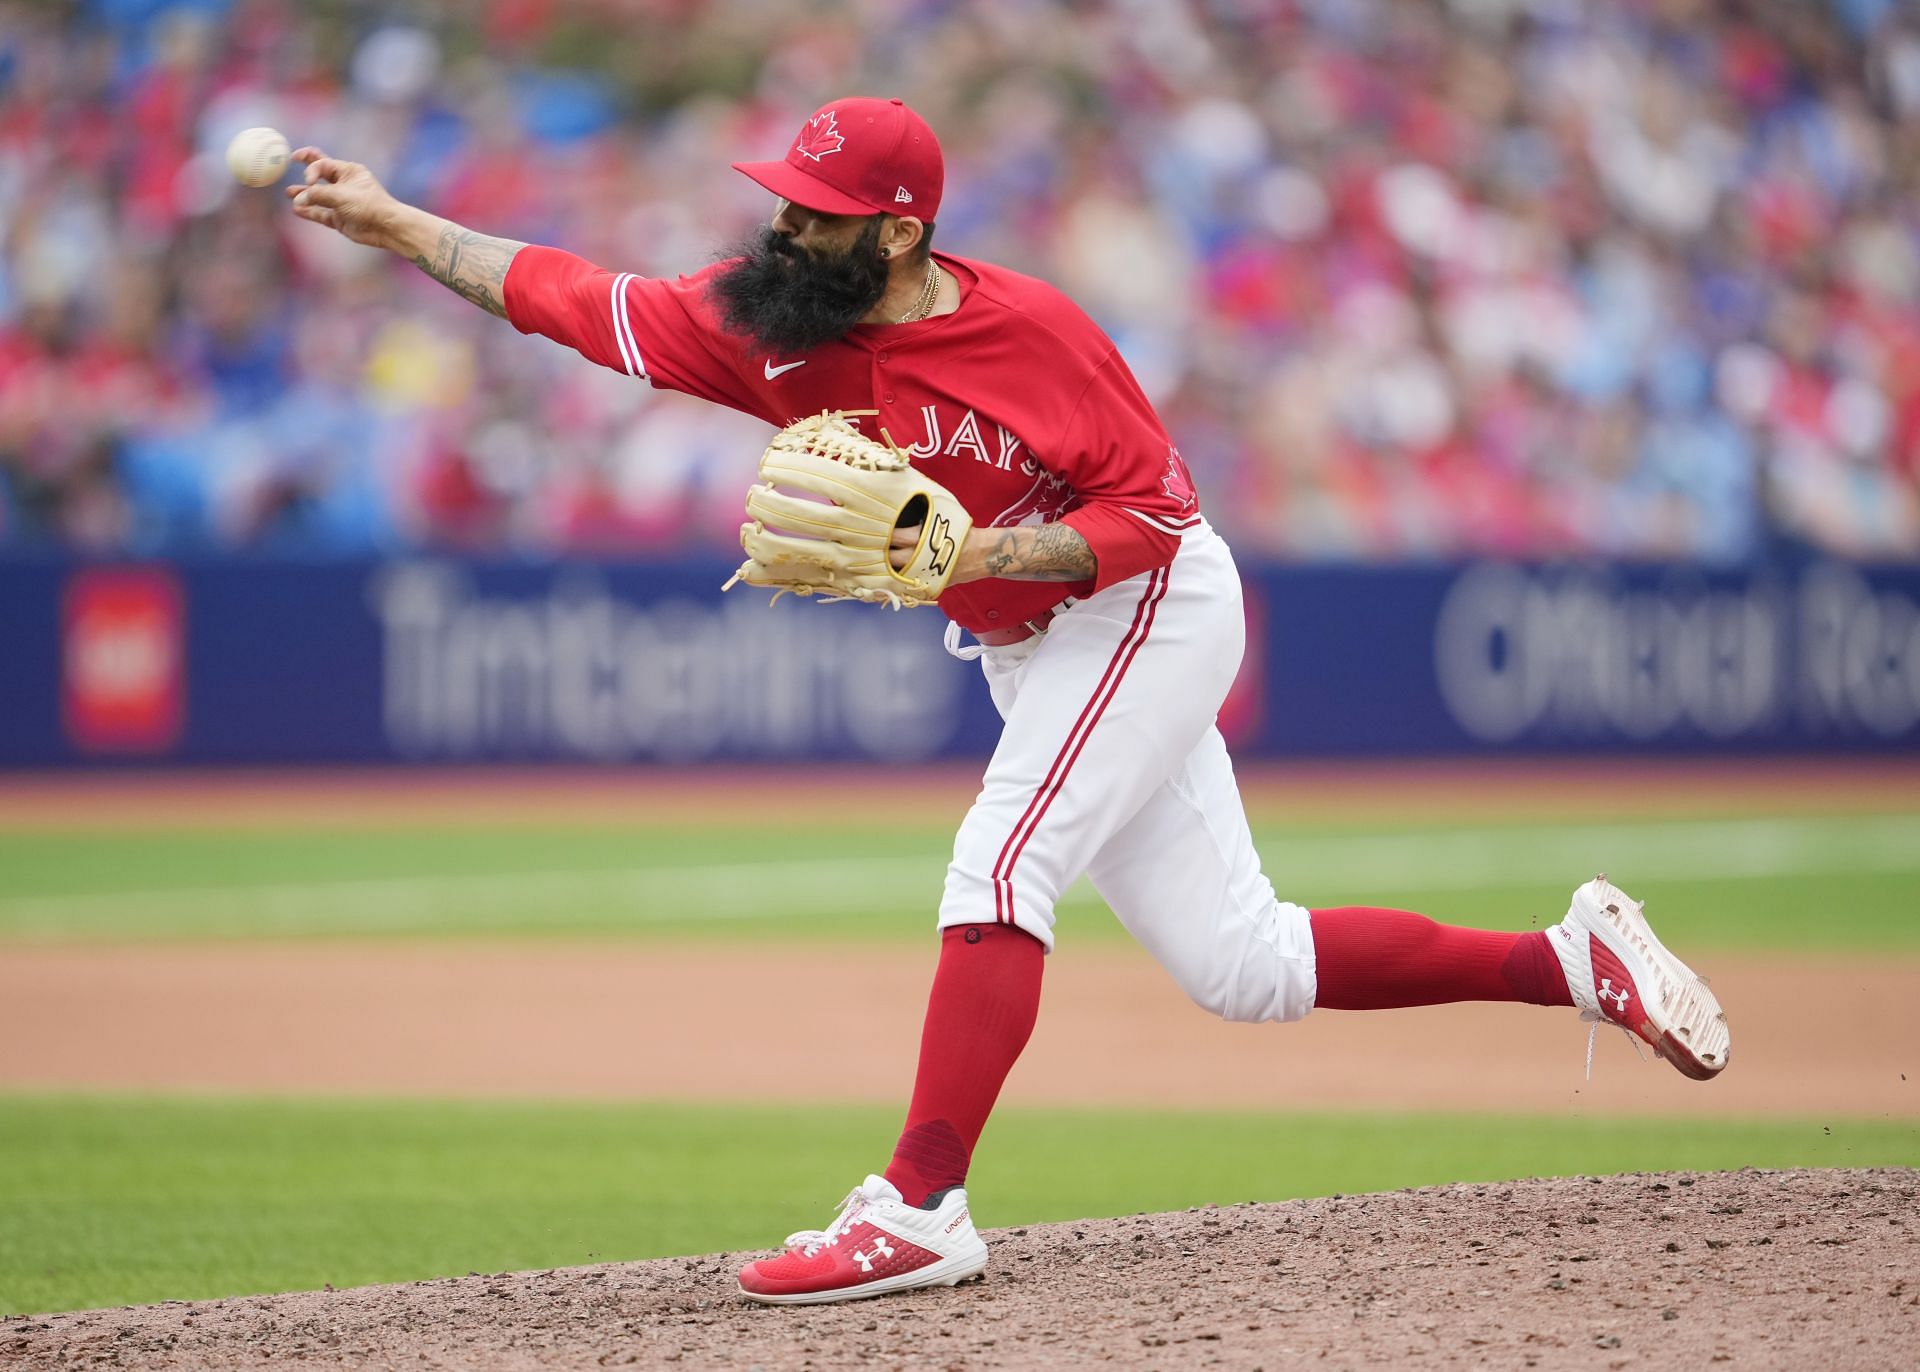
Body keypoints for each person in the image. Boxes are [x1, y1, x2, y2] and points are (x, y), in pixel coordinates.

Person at [285, 97, 1732, 1307]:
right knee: (1248, 967)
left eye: (814, 209)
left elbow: (1157, 514)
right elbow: (575, 303)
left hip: (1144, 602)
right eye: (783, 201)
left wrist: (980, 553)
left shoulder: (1029, 332)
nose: (784, 227)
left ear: (898, 229)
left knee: (1003, 854)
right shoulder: (774, 327)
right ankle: (1573, 960)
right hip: (1036, 649)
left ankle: (921, 1205)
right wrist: (400, 222)